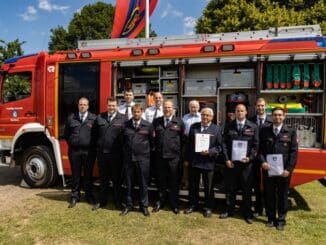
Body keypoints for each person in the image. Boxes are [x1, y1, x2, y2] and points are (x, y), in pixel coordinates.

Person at [259, 107, 298, 231]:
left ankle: (281, 220)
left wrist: (289, 169)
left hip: (283, 172)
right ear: (271, 116)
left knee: (282, 196)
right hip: (268, 170)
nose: (277, 117)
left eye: (280, 115)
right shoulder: (264, 131)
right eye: (275, 115)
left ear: (284, 116)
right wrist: (262, 162)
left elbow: (294, 152)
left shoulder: (290, 131)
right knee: (269, 195)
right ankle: (271, 218)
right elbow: (259, 149)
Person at [220, 103, 259, 224]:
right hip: (232, 164)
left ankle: (247, 213)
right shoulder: (229, 125)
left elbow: (256, 145)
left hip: (246, 165)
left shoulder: (253, 126)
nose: (240, 113)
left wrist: (250, 158)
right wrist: (226, 159)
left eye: (242, 111)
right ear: (234, 113)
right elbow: (224, 144)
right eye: (238, 111)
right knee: (230, 189)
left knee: (247, 190)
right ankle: (229, 210)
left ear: (246, 112)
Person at [184, 107, 223, 217]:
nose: (205, 117)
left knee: (208, 186)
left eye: (207, 115)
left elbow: (220, 147)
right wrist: (186, 159)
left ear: (212, 117)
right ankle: (192, 205)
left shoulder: (216, 129)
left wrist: (210, 151)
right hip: (194, 161)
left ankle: (208, 207)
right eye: (203, 115)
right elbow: (189, 145)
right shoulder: (194, 127)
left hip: (208, 162)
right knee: (193, 185)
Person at [120, 104, 154, 217]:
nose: (136, 114)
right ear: (132, 112)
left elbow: (152, 143)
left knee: (143, 184)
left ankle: (143, 206)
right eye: (134, 112)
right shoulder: (125, 125)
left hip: (143, 160)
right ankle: (128, 205)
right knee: (129, 184)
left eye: (138, 112)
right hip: (129, 159)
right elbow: (122, 142)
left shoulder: (148, 125)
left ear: (142, 112)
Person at [152, 100, 185, 214]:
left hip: (174, 158)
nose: (167, 109)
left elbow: (183, 140)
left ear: (173, 109)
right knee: (160, 181)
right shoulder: (156, 121)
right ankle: (160, 202)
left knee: (174, 181)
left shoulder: (179, 122)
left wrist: (181, 157)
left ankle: (174, 203)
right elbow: (153, 138)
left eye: (169, 107)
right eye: (165, 107)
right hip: (160, 157)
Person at [93, 97, 126, 210]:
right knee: (103, 179)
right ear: (106, 106)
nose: (111, 107)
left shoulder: (123, 119)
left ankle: (118, 202)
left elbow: (125, 138)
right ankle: (102, 201)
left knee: (117, 180)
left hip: (116, 155)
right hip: (102, 155)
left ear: (117, 106)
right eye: (109, 105)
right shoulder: (99, 118)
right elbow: (94, 136)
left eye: (113, 105)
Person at [63, 97, 97, 208]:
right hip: (74, 151)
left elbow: (97, 136)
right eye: (80, 104)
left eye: (84, 104)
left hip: (89, 152)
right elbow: (66, 135)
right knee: (75, 175)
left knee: (88, 175)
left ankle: (89, 196)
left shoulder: (94, 118)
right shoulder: (71, 118)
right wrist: (74, 143)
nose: (82, 106)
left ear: (88, 106)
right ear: (78, 105)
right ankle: (74, 196)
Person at [248, 97, 273, 217]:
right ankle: (258, 208)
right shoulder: (250, 121)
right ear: (255, 107)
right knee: (256, 185)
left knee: (268, 185)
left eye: (262, 105)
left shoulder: (272, 121)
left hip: (267, 159)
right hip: (254, 158)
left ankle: (269, 209)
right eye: (258, 105)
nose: (260, 108)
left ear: (266, 106)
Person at [181, 100, 201, 189]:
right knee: (186, 163)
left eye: (195, 107)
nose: (193, 108)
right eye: (192, 107)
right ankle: (186, 183)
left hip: (199, 143)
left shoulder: (202, 116)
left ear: (199, 107)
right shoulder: (185, 117)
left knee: (199, 163)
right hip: (187, 143)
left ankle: (200, 184)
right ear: (189, 108)